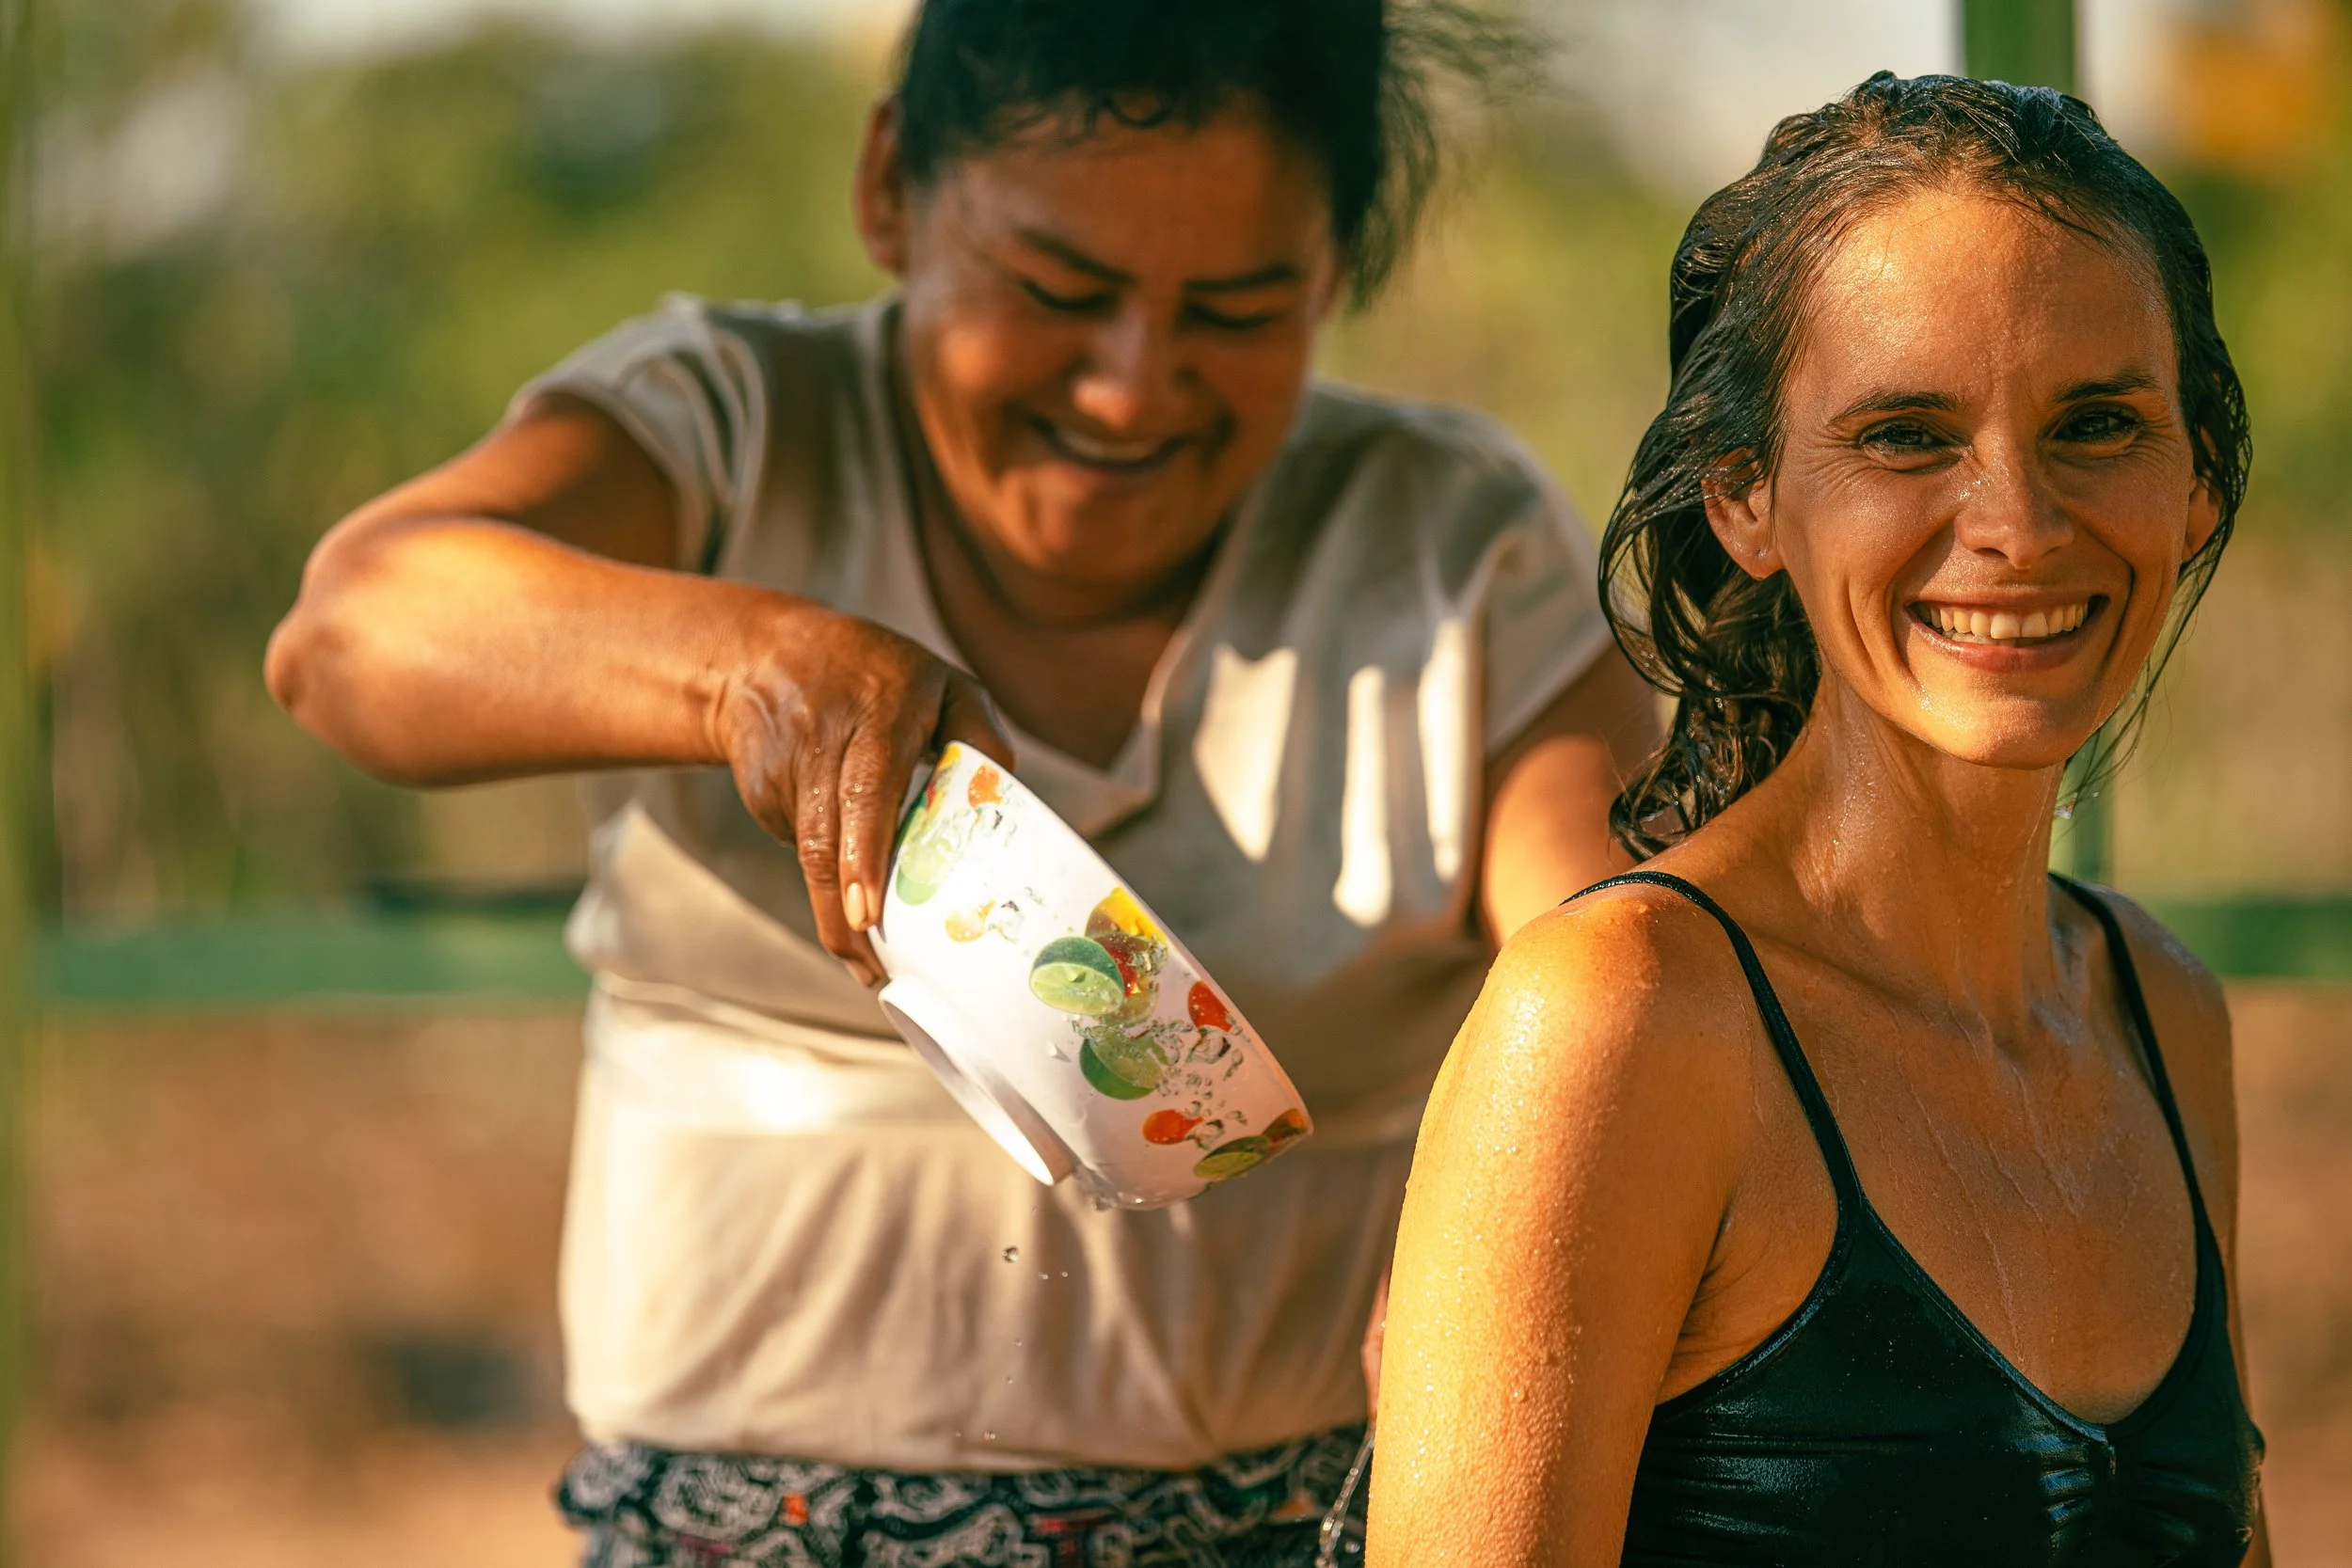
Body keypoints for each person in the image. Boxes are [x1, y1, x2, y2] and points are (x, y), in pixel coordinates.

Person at [265, 2, 1658, 1562]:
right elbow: (355, 634)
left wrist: (1527, 1232)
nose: (1133, 388)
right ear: (887, 190)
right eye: (1057, 291)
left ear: (1334, 275)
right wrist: (756, 667)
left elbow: (1612, 970)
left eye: (1242, 311)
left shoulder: (1447, 538)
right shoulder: (732, 430)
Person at [1373, 72, 2268, 1565]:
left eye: (2099, 422)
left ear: (2197, 483)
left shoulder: (2161, 1009)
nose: (2019, 524)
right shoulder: (1624, 1019)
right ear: (1744, 497)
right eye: (1909, 435)